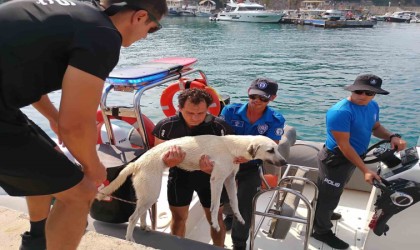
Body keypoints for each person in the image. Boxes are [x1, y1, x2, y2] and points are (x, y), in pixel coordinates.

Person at [0, 0, 168, 249]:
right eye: (152, 29)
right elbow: (76, 125)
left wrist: (53, 117)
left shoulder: (76, 15)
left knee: (51, 159)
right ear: (140, 16)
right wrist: (93, 167)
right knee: (80, 194)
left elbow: (24, 72)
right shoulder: (104, 35)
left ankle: (38, 240)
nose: (146, 37)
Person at [312, 74, 407, 249]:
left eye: (369, 93)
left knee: (335, 191)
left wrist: (392, 136)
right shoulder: (340, 112)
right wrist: (365, 170)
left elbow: (375, 127)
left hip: (354, 157)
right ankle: (320, 230)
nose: (363, 96)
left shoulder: (372, 106)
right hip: (336, 159)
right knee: (330, 195)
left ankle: (322, 213)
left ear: (375, 95)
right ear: (352, 89)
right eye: (359, 91)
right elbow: (343, 146)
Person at [152, 88, 235, 247]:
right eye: (190, 113)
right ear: (180, 108)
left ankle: (218, 247)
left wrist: (214, 170)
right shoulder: (166, 127)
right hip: (179, 177)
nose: (195, 118)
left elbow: (231, 161)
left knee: (215, 220)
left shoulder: (220, 128)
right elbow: (156, 159)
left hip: (211, 180)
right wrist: (168, 162)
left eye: (201, 113)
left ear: (208, 110)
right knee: (178, 219)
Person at [220, 78, 286, 250]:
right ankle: (229, 215)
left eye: (263, 98)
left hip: (250, 165)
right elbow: (219, 137)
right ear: (249, 92)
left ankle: (239, 243)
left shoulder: (275, 119)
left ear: (272, 98)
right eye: (254, 95)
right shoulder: (229, 111)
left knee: (244, 204)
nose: (257, 100)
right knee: (221, 196)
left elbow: (272, 144)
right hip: (226, 161)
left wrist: (248, 158)